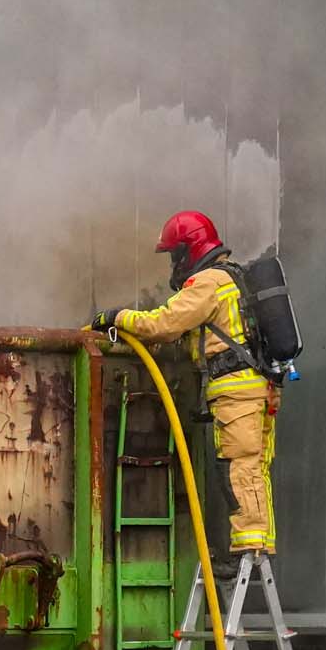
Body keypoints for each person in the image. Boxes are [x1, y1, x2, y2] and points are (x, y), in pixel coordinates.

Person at [91, 210, 277, 555]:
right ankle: (259, 541)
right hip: (258, 388)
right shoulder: (234, 278)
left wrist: (117, 317)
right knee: (255, 467)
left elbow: (165, 323)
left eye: (175, 255)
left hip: (235, 392)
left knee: (240, 466)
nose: (174, 264)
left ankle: (251, 549)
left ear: (188, 250)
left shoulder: (209, 283)